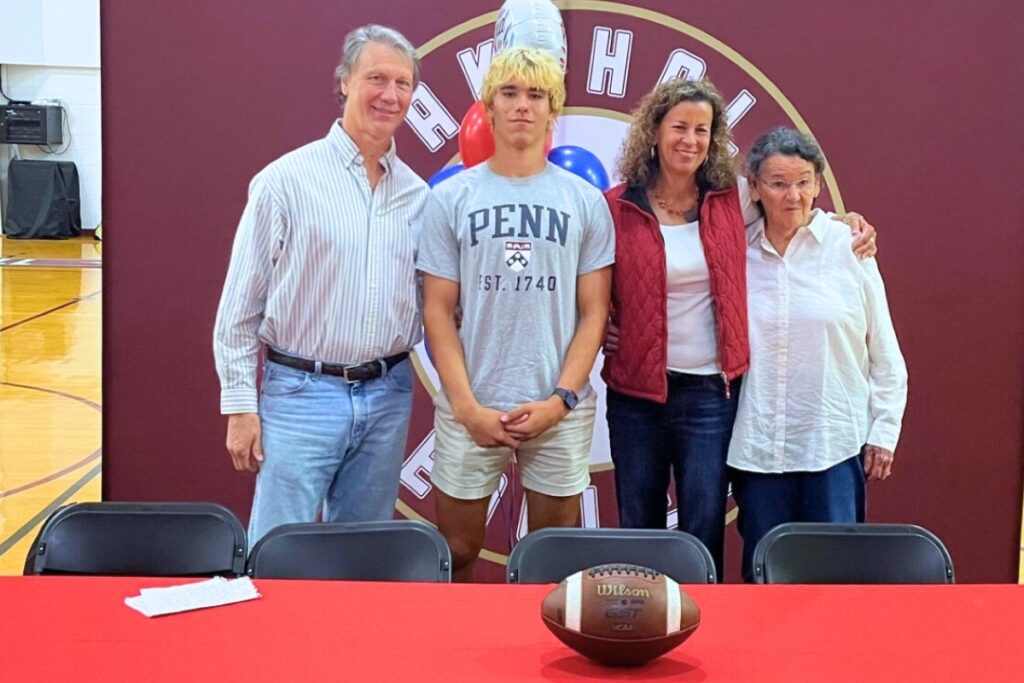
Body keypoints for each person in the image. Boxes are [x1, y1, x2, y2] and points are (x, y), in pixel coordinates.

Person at [602, 78, 876, 578]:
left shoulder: (731, 201)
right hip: (635, 396)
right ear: (654, 132)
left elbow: (793, 204)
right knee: (638, 526)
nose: (690, 139)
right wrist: (602, 329)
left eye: (702, 130)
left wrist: (847, 223)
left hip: (708, 394)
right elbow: (591, 284)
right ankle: (636, 629)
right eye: (679, 127)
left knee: (703, 530)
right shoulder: (616, 205)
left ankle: (701, 633)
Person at [213, 25, 429, 544]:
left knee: (360, 559)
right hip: (301, 394)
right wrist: (241, 406)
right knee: (276, 551)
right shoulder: (285, 182)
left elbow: (436, 305)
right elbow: (239, 309)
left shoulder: (419, 196)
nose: (390, 95)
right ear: (344, 83)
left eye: (403, 83)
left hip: (389, 393)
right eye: (376, 78)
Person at [418, 47, 615, 582]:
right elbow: (437, 312)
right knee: (455, 552)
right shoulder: (451, 199)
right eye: (510, 93)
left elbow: (594, 315)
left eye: (536, 96)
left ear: (554, 111)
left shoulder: (584, 201)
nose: (522, 106)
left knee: (551, 560)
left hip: (556, 408)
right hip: (472, 404)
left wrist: (561, 400)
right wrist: (466, 407)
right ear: (490, 106)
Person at [727, 127, 907, 581]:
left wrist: (884, 430)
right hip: (759, 449)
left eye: (805, 181)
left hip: (833, 445)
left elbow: (884, 350)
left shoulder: (850, 248)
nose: (794, 195)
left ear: (819, 185)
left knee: (837, 581)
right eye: (779, 183)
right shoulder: (733, 252)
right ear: (754, 187)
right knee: (765, 580)